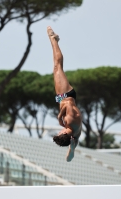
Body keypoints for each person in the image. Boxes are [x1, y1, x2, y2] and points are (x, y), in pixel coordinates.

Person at [47, 26, 82, 162]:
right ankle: (54, 39)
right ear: (63, 133)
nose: (59, 130)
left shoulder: (75, 136)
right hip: (66, 95)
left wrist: (72, 149)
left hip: (61, 96)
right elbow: (68, 105)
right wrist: (59, 117)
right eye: (59, 132)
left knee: (56, 67)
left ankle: (53, 40)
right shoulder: (70, 122)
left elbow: (69, 159)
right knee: (57, 66)